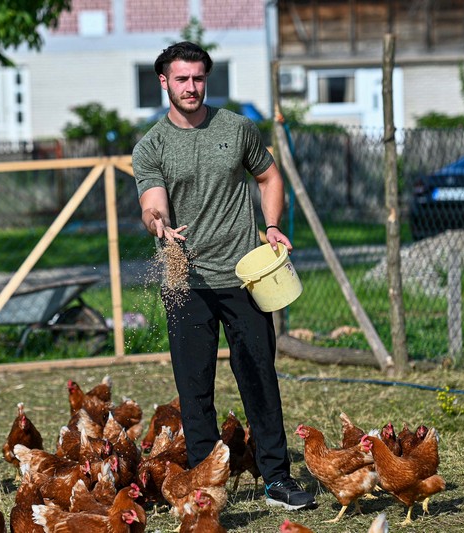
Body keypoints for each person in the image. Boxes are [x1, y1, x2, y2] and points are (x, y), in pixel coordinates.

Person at [131, 41, 317, 511]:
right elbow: (152, 202)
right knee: (195, 389)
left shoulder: (236, 129)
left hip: (243, 276)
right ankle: (206, 487)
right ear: (164, 82)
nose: (191, 87)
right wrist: (158, 223)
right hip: (184, 280)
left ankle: (276, 479)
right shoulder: (151, 145)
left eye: (198, 78)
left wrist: (271, 225)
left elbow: (270, 178)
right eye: (181, 79)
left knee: (259, 377)